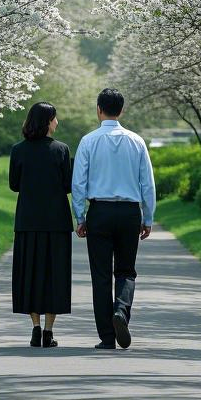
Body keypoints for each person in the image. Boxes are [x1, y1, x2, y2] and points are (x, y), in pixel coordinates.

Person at [72, 88, 155, 350]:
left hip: (100, 211)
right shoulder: (137, 141)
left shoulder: (88, 141)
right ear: (122, 110)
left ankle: (107, 337)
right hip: (130, 212)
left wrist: (80, 216)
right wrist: (148, 217)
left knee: (100, 275)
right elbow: (147, 184)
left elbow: (79, 183)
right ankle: (121, 310)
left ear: (99, 109)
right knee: (126, 271)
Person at [9, 102, 74, 348]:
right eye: (55, 118)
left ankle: (35, 328)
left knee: (30, 275)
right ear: (48, 121)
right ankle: (49, 331)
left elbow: (14, 185)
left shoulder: (18, 150)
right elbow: (68, 185)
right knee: (54, 275)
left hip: (27, 221)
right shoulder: (61, 150)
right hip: (56, 222)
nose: (57, 122)